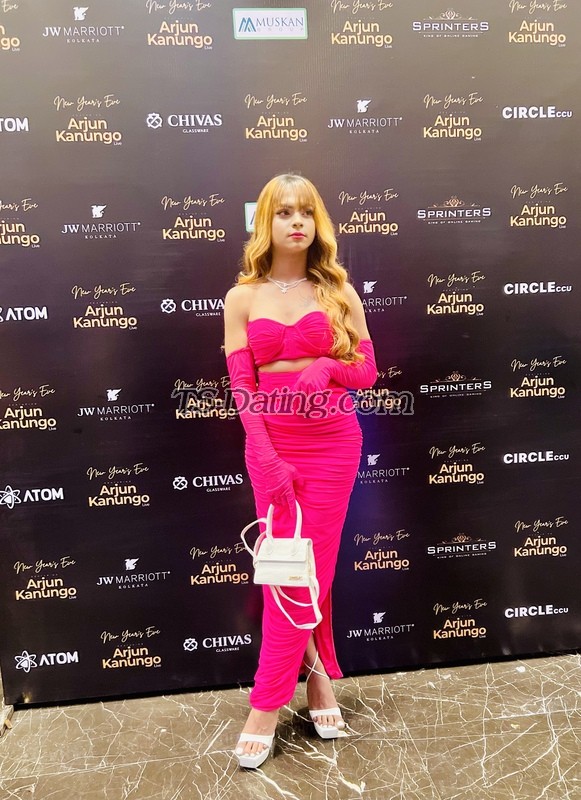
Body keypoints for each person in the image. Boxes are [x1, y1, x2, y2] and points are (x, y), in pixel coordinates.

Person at [224, 173, 377, 768]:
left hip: (333, 444)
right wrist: (263, 454)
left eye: (306, 212)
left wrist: (329, 369)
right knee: (287, 570)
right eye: (284, 212)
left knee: (314, 572)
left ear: (318, 222)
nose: (296, 222)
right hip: (271, 443)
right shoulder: (242, 298)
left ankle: (266, 704)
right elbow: (242, 387)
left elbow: (366, 370)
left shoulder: (337, 290)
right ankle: (315, 679)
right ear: (265, 222)